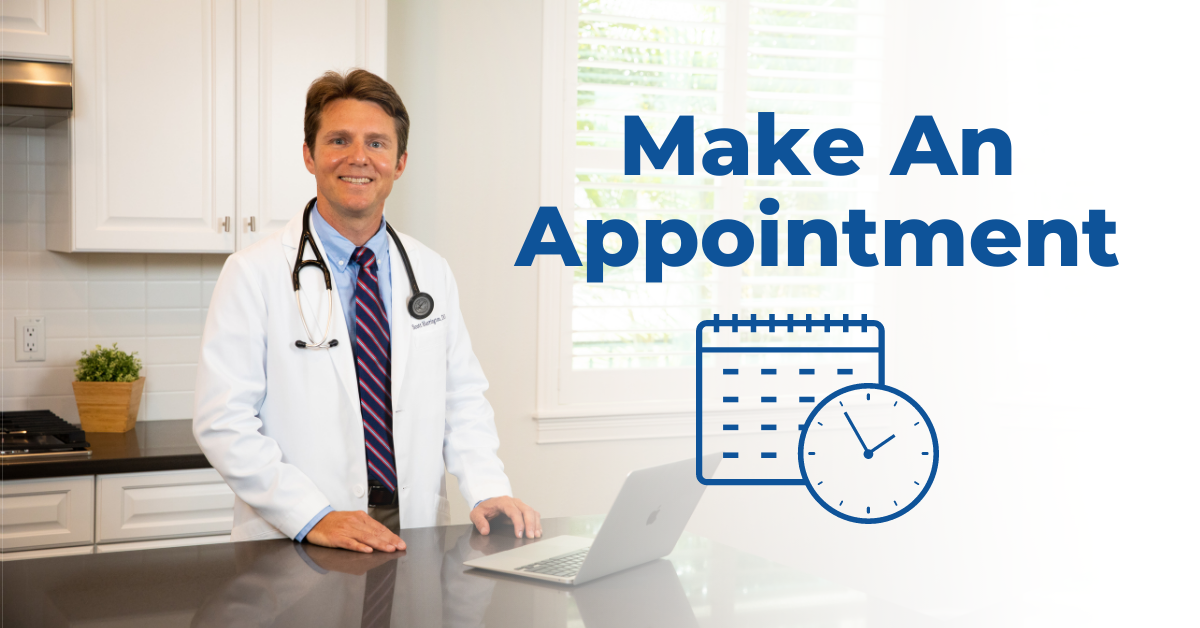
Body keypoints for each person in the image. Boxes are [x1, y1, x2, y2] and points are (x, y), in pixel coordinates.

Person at [193, 69, 540, 553]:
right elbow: (224, 422)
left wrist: (487, 487)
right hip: (301, 532)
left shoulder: (430, 271)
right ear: (309, 155)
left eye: (377, 144)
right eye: (339, 140)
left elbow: (461, 398)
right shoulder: (252, 273)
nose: (359, 158)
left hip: (412, 526)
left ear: (399, 163)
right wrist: (313, 515)